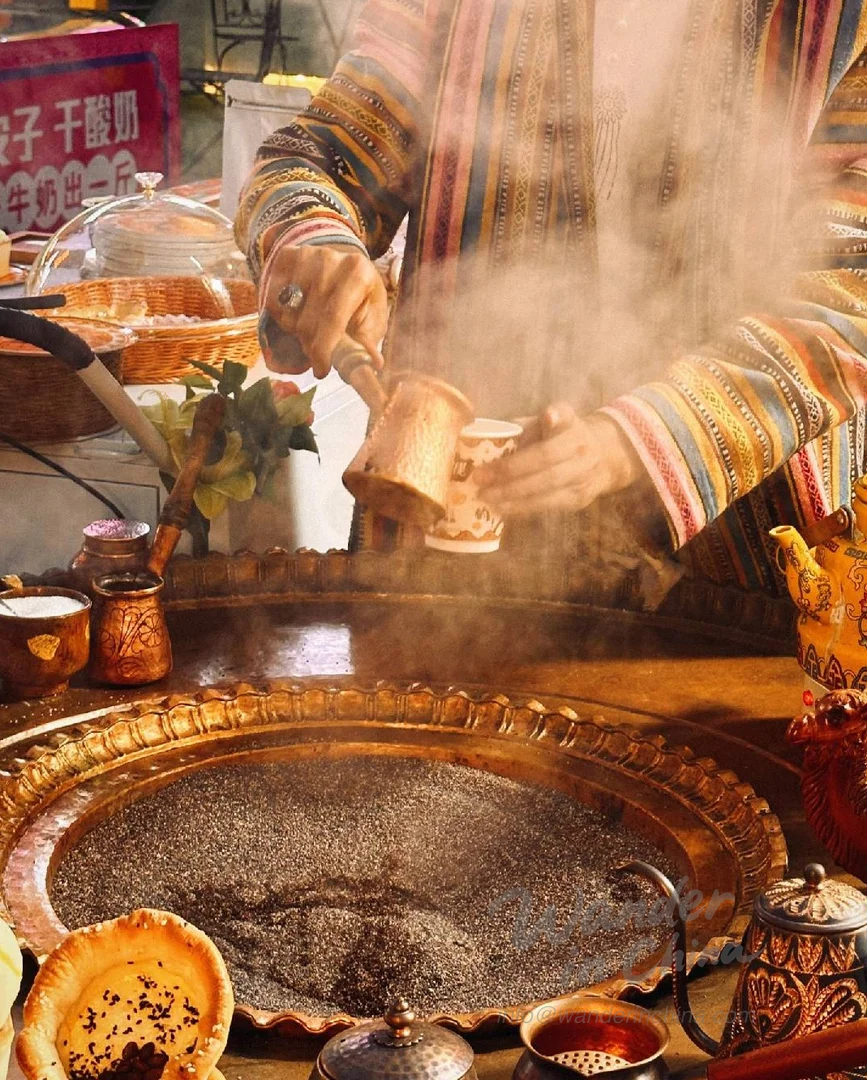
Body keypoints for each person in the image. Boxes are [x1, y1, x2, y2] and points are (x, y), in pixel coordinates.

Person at [235, 0, 867, 598]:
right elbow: (315, 155)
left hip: (750, 572)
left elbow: (848, 286)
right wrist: (313, 240)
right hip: (452, 566)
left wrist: (638, 440)